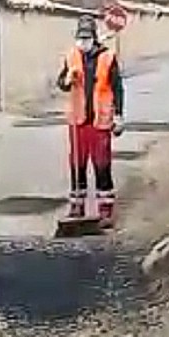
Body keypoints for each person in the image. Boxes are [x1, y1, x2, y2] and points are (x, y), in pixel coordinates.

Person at [56, 15, 125, 228]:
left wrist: (119, 115)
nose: (82, 43)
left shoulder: (107, 57)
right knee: (77, 164)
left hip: (100, 121)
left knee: (101, 165)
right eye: (80, 38)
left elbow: (117, 88)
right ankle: (77, 206)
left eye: (86, 38)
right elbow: (61, 83)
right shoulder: (71, 57)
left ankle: (105, 210)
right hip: (78, 121)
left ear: (93, 38)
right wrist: (67, 80)